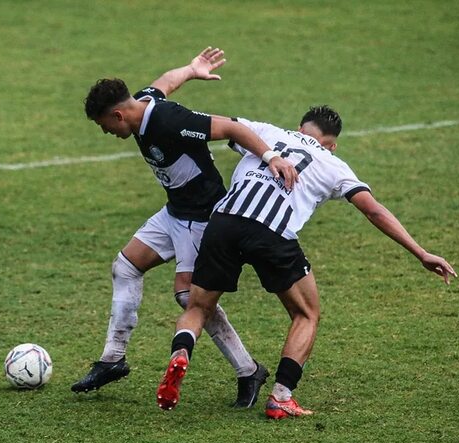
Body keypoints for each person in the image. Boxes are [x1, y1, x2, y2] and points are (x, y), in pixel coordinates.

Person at [156, 108, 458, 419]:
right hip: (271, 234)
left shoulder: (266, 132)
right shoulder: (334, 165)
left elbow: (212, 126)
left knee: (198, 307)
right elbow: (374, 211)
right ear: (332, 145)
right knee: (306, 313)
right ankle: (281, 397)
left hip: (223, 223)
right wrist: (421, 252)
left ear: (300, 128)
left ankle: (181, 352)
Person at [72, 48, 299, 409]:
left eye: (105, 126)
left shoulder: (169, 121)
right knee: (126, 266)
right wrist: (192, 70)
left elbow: (232, 127)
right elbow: (164, 83)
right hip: (175, 211)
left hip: (203, 217)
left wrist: (271, 156)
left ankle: (248, 370)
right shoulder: (141, 105)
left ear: (118, 114)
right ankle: (112, 359)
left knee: (190, 299)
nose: (107, 133)